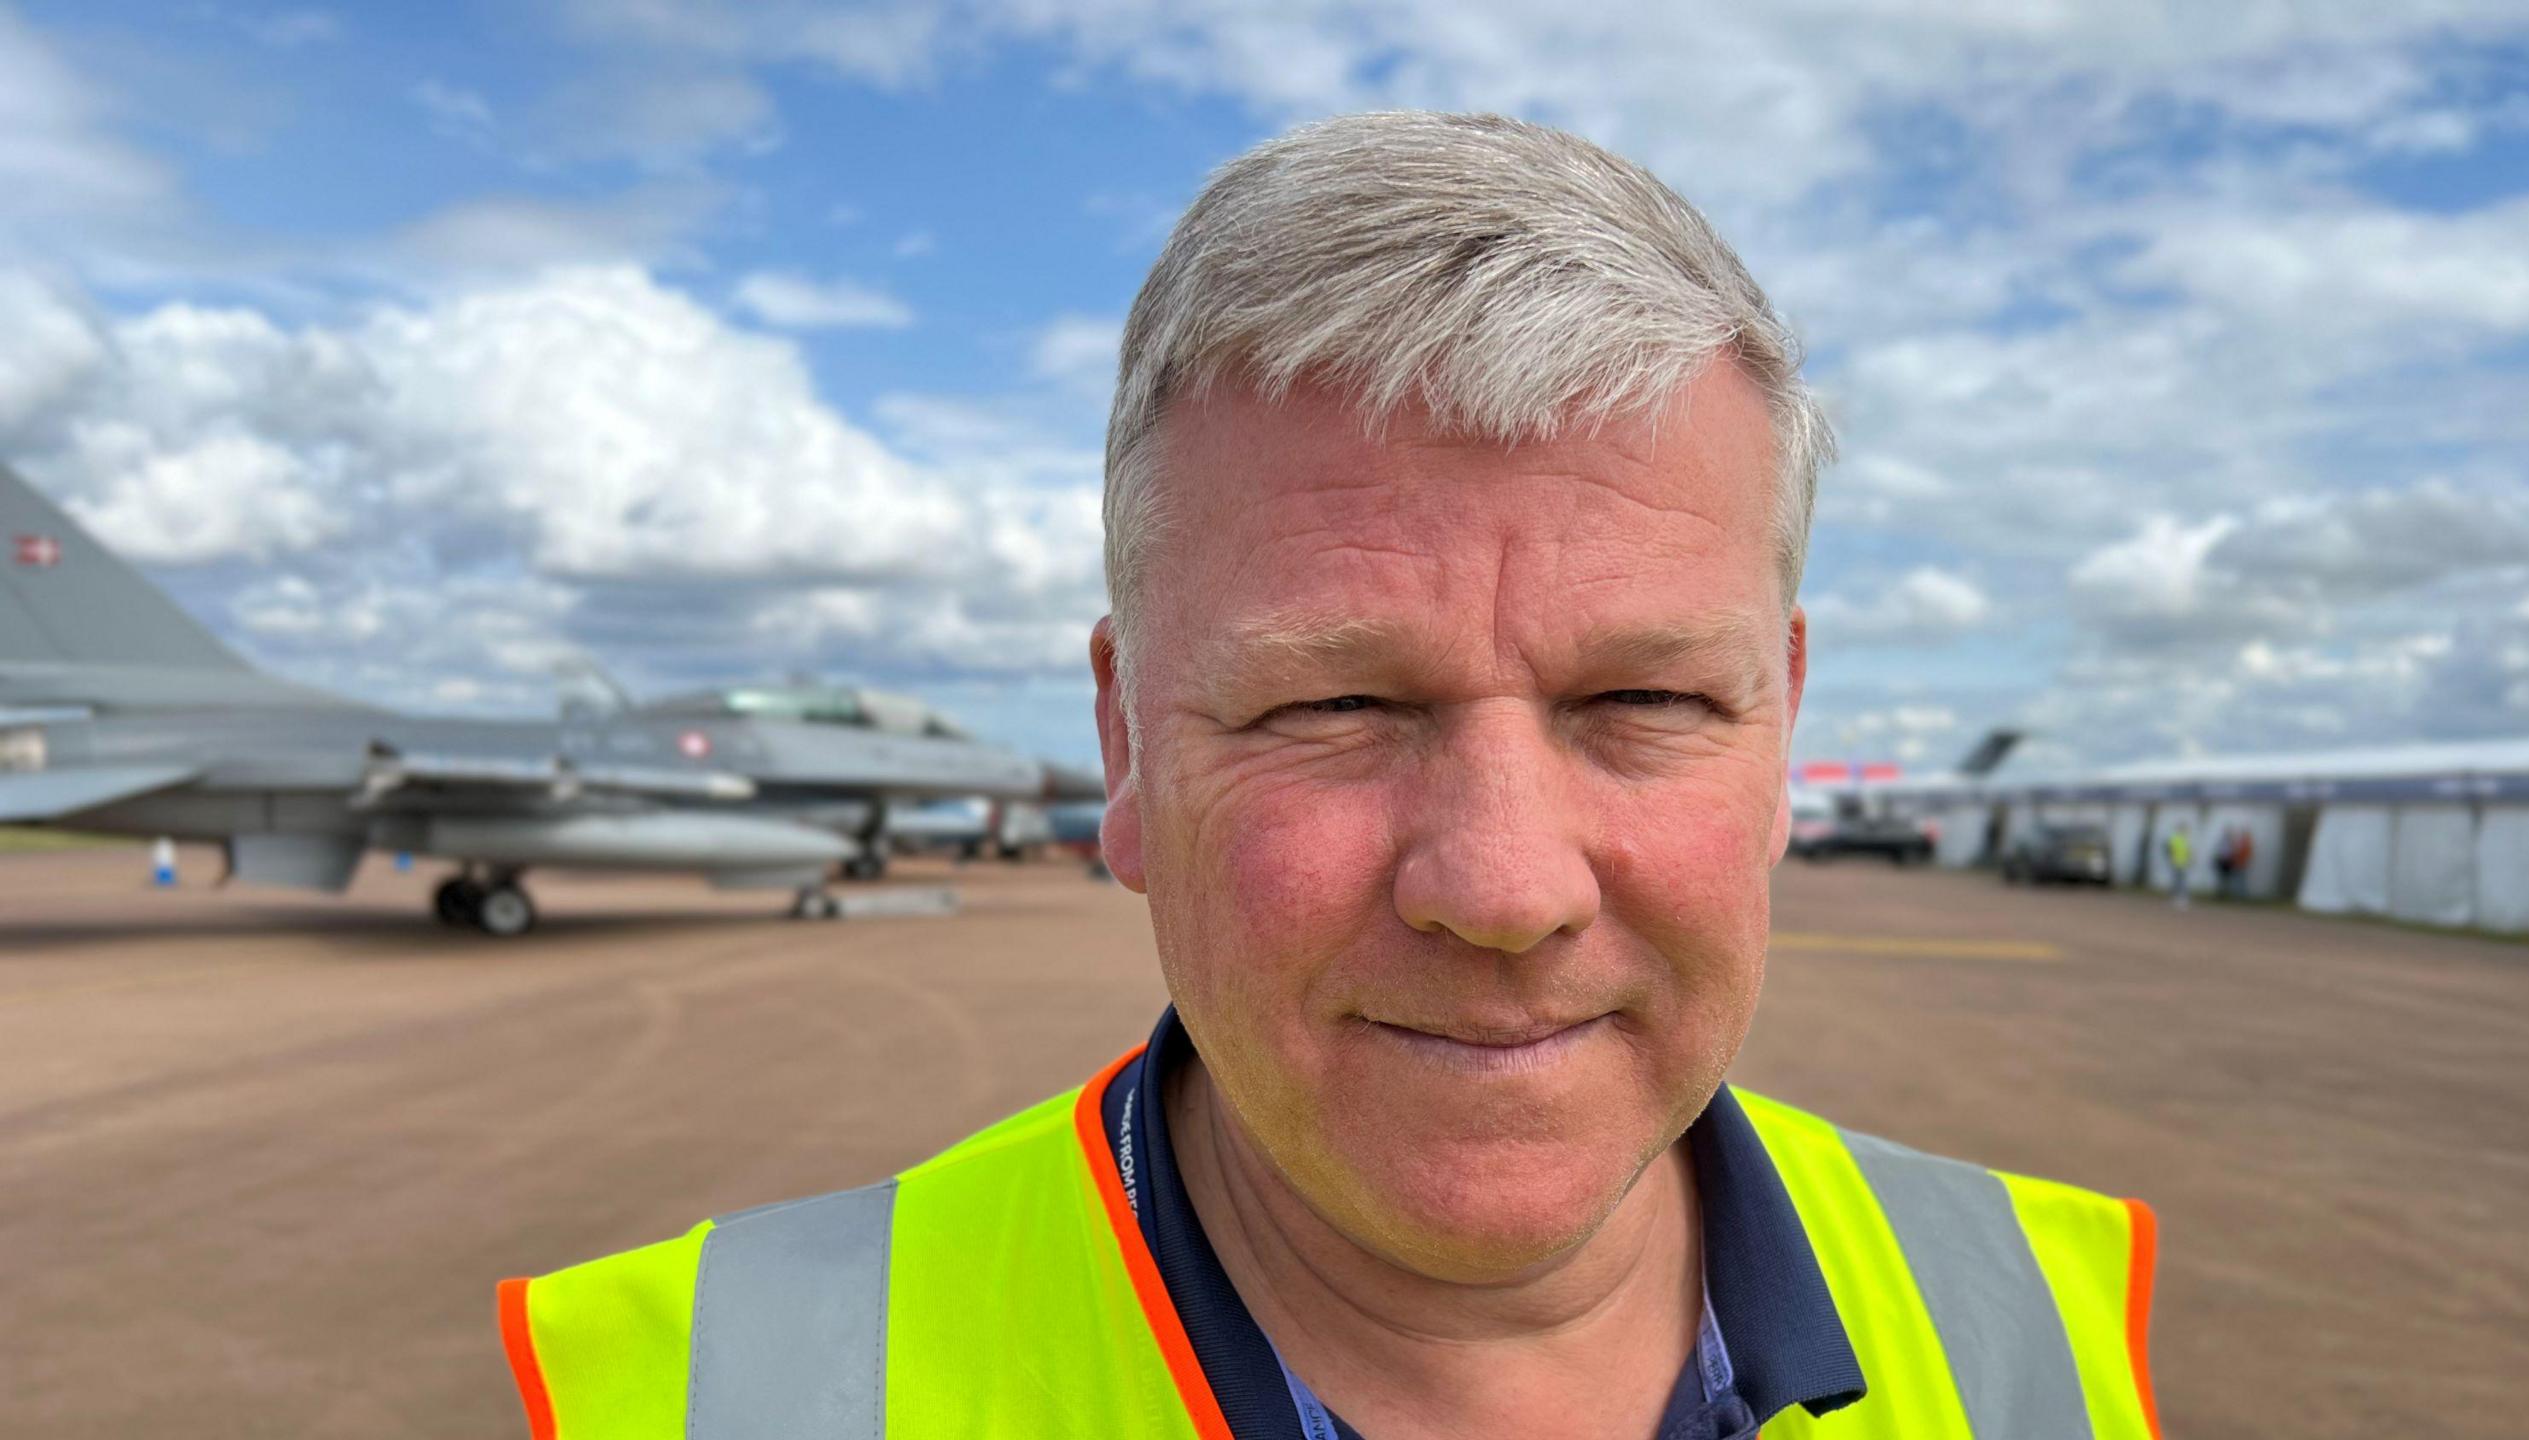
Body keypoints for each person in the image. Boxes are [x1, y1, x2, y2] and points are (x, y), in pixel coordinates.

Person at [494, 113, 2163, 1440]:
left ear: (1780, 729)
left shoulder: (2034, 1311)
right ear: (1127, 745)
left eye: (1645, 697)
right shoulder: (713, 1393)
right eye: (1338, 704)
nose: (1506, 890)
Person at [2166, 823, 2194, 910]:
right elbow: (2169, 849)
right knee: (2177, 881)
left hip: (2182, 863)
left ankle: (2182, 899)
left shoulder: (2184, 839)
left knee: (2181, 882)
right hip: (2177, 862)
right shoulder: (2177, 839)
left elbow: (2188, 852)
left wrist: (2190, 860)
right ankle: (2176, 898)